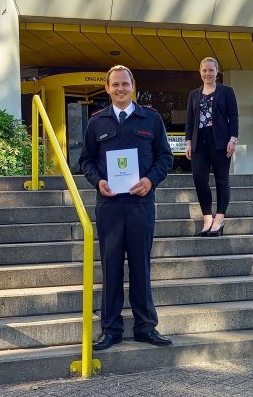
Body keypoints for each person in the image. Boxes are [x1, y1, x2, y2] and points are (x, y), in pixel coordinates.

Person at [79, 65, 174, 350]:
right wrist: (98, 182)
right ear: (107, 89)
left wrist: (150, 180)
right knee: (110, 268)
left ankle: (146, 326)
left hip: (140, 204)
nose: (121, 89)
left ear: (134, 87)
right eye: (115, 85)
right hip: (109, 204)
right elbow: (86, 161)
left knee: (141, 267)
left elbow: (164, 158)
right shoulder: (97, 122)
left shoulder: (152, 119)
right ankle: (111, 329)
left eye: (125, 84)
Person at [185, 57, 239, 237]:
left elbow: (234, 116)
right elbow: (190, 121)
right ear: (200, 72)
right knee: (199, 179)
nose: (207, 74)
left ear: (217, 72)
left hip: (221, 141)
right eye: (204, 70)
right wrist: (188, 142)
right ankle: (207, 217)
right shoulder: (194, 94)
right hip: (199, 141)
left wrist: (233, 139)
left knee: (221, 179)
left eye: (211, 70)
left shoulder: (226, 91)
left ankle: (219, 218)